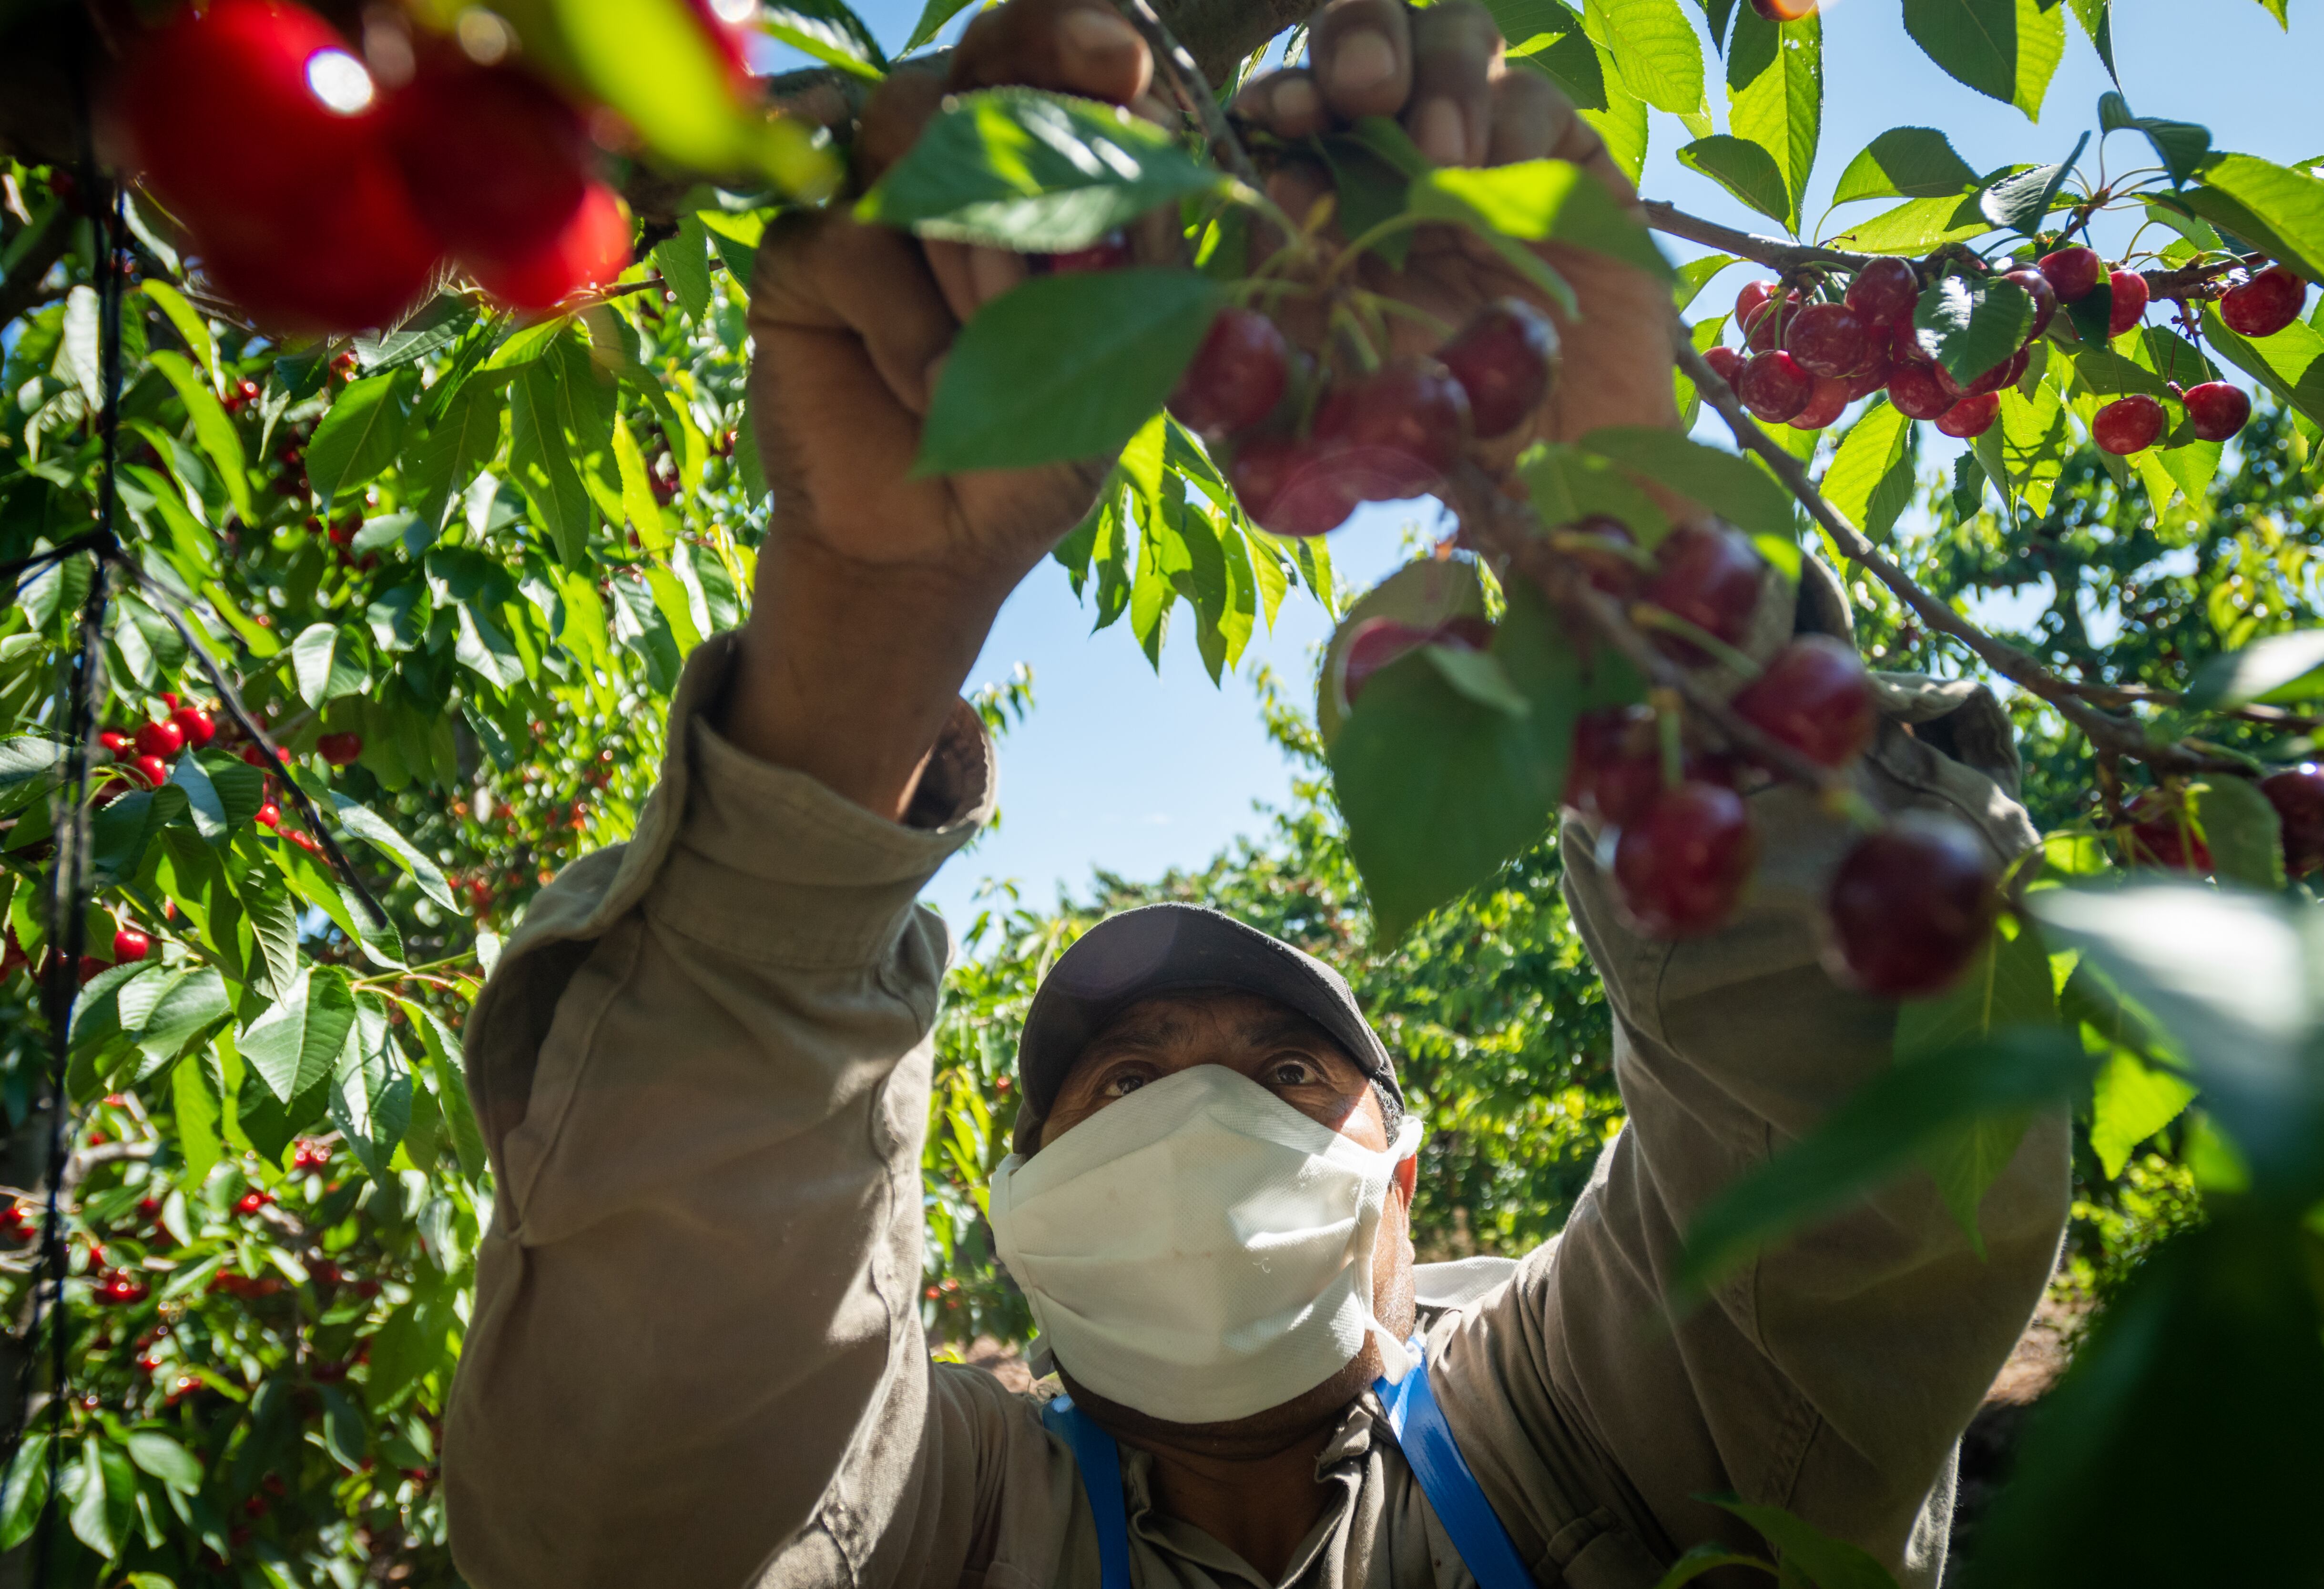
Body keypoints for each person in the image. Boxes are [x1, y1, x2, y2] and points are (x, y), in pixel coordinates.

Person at [442, 0, 2067, 1583]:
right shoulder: (930, 1517)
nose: (1193, 1114)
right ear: (1012, 1209)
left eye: (1290, 1073)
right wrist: (863, 631)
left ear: (1407, 1178)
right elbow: (645, 1487)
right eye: (1124, 1079)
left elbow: (1859, 1171)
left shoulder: (1596, 1433)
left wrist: (1628, 530)